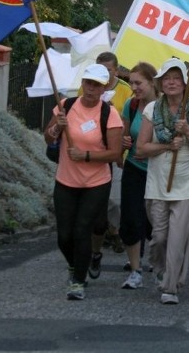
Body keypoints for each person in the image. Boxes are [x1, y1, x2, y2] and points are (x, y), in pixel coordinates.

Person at [44, 63, 123, 300]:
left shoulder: (109, 114)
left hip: (96, 182)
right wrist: (57, 127)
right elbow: (47, 137)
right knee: (64, 235)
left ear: (104, 88)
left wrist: (87, 155)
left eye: (96, 85)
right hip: (66, 180)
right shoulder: (66, 106)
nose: (91, 89)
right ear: (82, 84)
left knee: (82, 230)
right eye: (88, 83)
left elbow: (115, 153)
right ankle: (75, 264)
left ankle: (78, 280)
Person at [136, 58, 189, 305]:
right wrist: (167, 145)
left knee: (178, 239)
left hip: (187, 184)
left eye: (176, 78)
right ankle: (159, 268)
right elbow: (141, 149)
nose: (171, 82)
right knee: (159, 238)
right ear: (160, 83)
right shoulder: (151, 110)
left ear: (185, 82)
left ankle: (171, 286)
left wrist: (188, 133)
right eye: (166, 78)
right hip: (157, 184)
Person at [84, 52, 134, 280]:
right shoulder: (88, 87)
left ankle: (113, 230)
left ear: (116, 70)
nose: (103, 74)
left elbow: (131, 119)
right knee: (94, 205)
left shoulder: (125, 90)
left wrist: (112, 111)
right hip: (92, 154)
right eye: (100, 69)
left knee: (115, 200)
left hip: (116, 152)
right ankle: (105, 235)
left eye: (108, 70)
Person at [118, 62, 158, 290]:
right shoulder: (131, 105)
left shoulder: (165, 106)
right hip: (134, 167)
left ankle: (158, 260)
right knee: (131, 219)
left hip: (158, 170)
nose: (134, 87)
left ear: (152, 82)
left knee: (156, 222)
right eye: (132, 82)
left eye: (138, 83)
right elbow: (125, 134)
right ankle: (135, 270)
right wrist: (124, 143)